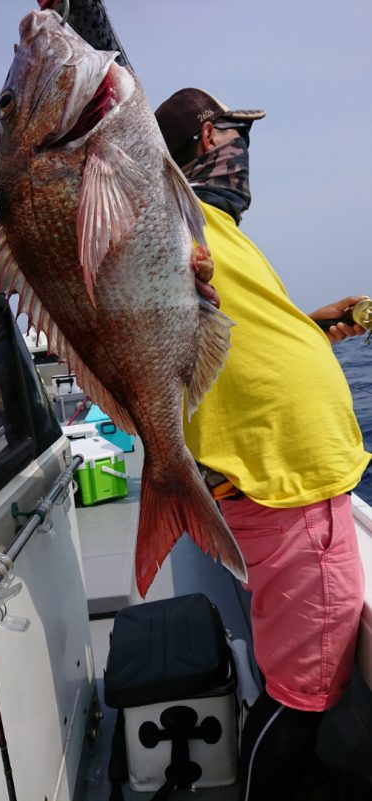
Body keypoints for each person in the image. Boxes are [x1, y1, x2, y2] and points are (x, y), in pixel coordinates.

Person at [155, 88, 371, 801]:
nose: (244, 155)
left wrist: (312, 328)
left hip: (286, 491)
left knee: (302, 680)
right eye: (236, 136)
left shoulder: (217, 231)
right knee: (300, 696)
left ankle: (292, 777)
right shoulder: (176, 219)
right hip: (289, 495)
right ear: (208, 138)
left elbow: (239, 344)